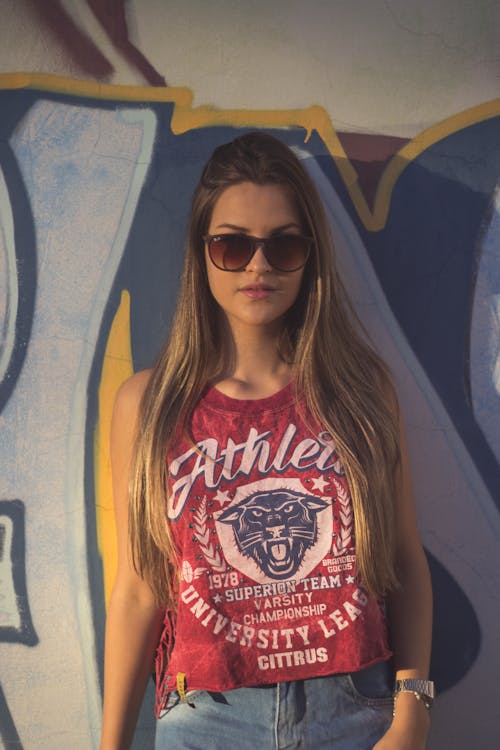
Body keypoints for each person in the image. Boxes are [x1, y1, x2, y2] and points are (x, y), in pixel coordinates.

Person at [99, 132, 433, 750]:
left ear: (310, 255)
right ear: (201, 254)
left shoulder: (359, 390)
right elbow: (140, 588)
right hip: (208, 720)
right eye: (232, 245)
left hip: (356, 712)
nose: (258, 266)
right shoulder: (147, 405)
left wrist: (412, 708)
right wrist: (110, 744)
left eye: (284, 244)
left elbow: (404, 561)